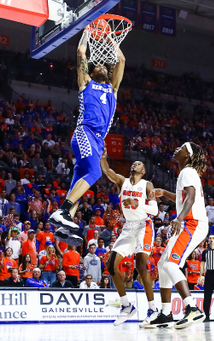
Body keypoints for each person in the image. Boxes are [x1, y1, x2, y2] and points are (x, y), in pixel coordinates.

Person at [50, 28, 126, 247]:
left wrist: (111, 37)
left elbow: (120, 59)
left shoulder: (113, 89)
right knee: (94, 172)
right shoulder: (86, 84)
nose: (102, 65)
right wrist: (86, 31)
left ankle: (63, 226)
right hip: (84, 132)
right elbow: (81, 52)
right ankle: (63, 212)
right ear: (91, 72)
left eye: (104, 65)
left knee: (78, 183)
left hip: (97, 140)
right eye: (98, 65)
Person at [147, 142, 208, 329]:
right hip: (190, 223)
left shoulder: (187, 171)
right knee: (162, 264)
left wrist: (179, 218)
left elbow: (191, 197)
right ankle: (166, 313)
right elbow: (183, 197)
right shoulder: (186, 173)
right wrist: (165, 193)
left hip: (192, 223)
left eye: (182, 147)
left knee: (170, 264)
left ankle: (192, 308)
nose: (177, 148)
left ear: (188, 155)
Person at [101, 152, 159, 327]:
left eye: (139, 163)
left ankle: (153, 309)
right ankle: (127, 306)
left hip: (144, 225)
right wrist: (103, 157)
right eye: (134, 162)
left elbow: (155, 210)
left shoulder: (147, 185)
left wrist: (137, 204)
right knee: (111, 264)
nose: (136, 164)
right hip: (128, 227)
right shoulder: (122, 181)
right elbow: (107, 171)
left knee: (141, 264)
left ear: (143, 171)